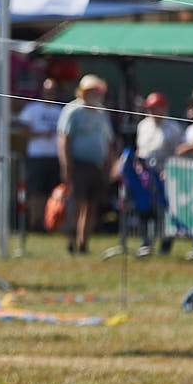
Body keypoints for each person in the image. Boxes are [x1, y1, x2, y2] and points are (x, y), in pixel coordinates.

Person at [57, 74, 115, 255]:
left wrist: (109, 165)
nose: (95, 94)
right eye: (91, 90)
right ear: (83, 91)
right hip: (78, 165)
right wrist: (66, 166)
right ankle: (71, 242)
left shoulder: (102, 112)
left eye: (98, 90)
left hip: (97, 166)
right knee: (76, 205)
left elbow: (108, 141)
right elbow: (64, 139)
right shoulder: (72, 110)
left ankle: (84, 244)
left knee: (92, 206)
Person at [18, 79, 63, 223]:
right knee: (36, 191)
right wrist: (42, 134)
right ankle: (34, 222)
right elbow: (24, 132)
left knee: (52, 191)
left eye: (53, 91)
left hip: (55, 156)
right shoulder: (32, 109)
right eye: (47, 91)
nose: (50, 94)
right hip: (37, 156)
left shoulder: (60, 111)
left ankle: (50, 221)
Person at [134, 92, 182, 167]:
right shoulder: (143, 125)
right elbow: (139, 149)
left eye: (155, 108)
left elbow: (178, 152)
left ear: (164, 108)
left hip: (164, 168)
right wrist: (137, 164)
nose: (152, 111)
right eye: (150, 108)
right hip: (144, 168)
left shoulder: (173, 127)